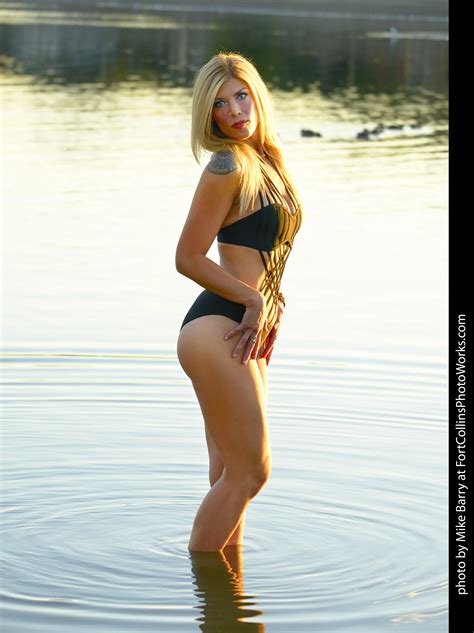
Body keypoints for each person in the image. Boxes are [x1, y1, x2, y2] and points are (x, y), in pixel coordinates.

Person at [175, 52, 303, 552]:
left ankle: (227, 601)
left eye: (241, 95)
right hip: (220, 325)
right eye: (220, 104)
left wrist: (267, 307)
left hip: (249, 326)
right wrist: (253, 299)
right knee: (252, 472)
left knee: (231, 475)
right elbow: (187, 257)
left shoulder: (267, 159)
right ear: (208, 117)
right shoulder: (227, 165)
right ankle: (204, 582)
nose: (234, 110)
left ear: (257, 93)